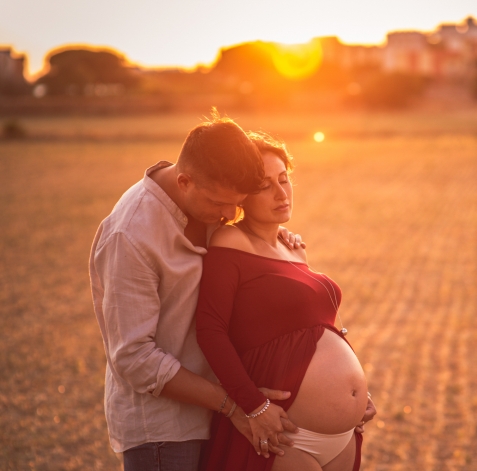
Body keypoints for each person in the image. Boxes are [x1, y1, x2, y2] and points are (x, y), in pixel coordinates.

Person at [89, 113, 302, 471]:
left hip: (220, 413)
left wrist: (273, 241)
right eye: (219, 204)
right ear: (184, 181)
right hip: (165, 432)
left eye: (237, 203)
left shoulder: (210, 204)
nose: (228, 214)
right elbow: (134, 358)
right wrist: (236, 405)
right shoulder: (130, 235)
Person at [196, 132, 376, 471]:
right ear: (242, 195)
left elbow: (317, 327)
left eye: (284, 179)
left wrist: (356, 393)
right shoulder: (231, 239)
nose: (282, 193)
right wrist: (253, 406)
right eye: (265, 185)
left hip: (343, 436)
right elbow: (210, 329)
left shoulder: (293, 249)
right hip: (285, 433)